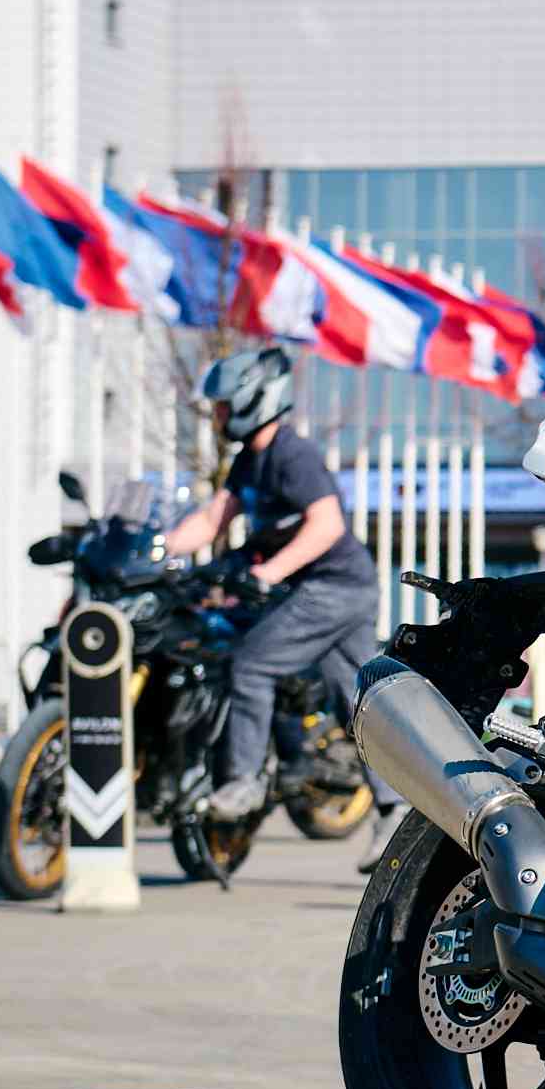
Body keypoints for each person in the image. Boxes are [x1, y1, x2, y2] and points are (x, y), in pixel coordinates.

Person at [160, 345, 404, 871]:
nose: (217, 415)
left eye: (224, 405)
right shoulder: (248, 461)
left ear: (252, 401)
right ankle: (395, 808)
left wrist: (266, 573)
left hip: (333, 585)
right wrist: (161, 549)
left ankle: (243, 781)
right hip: (334, 588)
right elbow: (213, 519)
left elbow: (327, 525)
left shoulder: (293, 455)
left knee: (251, 663)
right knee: (357, 703)